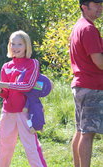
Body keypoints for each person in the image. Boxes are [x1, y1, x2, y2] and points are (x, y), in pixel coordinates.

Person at [0, 30, 47, 167]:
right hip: (7, 112)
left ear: (26, 46)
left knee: (31, 148)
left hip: (25, 112)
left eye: (20, 44)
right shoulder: (6, 66)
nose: (16, 48)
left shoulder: (32, 63)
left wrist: (2, 84)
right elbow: (6, 93)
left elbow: (26, 86)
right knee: (3, 148)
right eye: (13, 44)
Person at [69, 0, 103, 167]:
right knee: (87, 133)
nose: (100, 7)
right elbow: (99, 62)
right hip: (91, 87)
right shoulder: (89, 29)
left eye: (101, 4)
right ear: (84, 6)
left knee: (81, 131)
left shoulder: (78, 26)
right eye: (96, 4)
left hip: (81, 86)